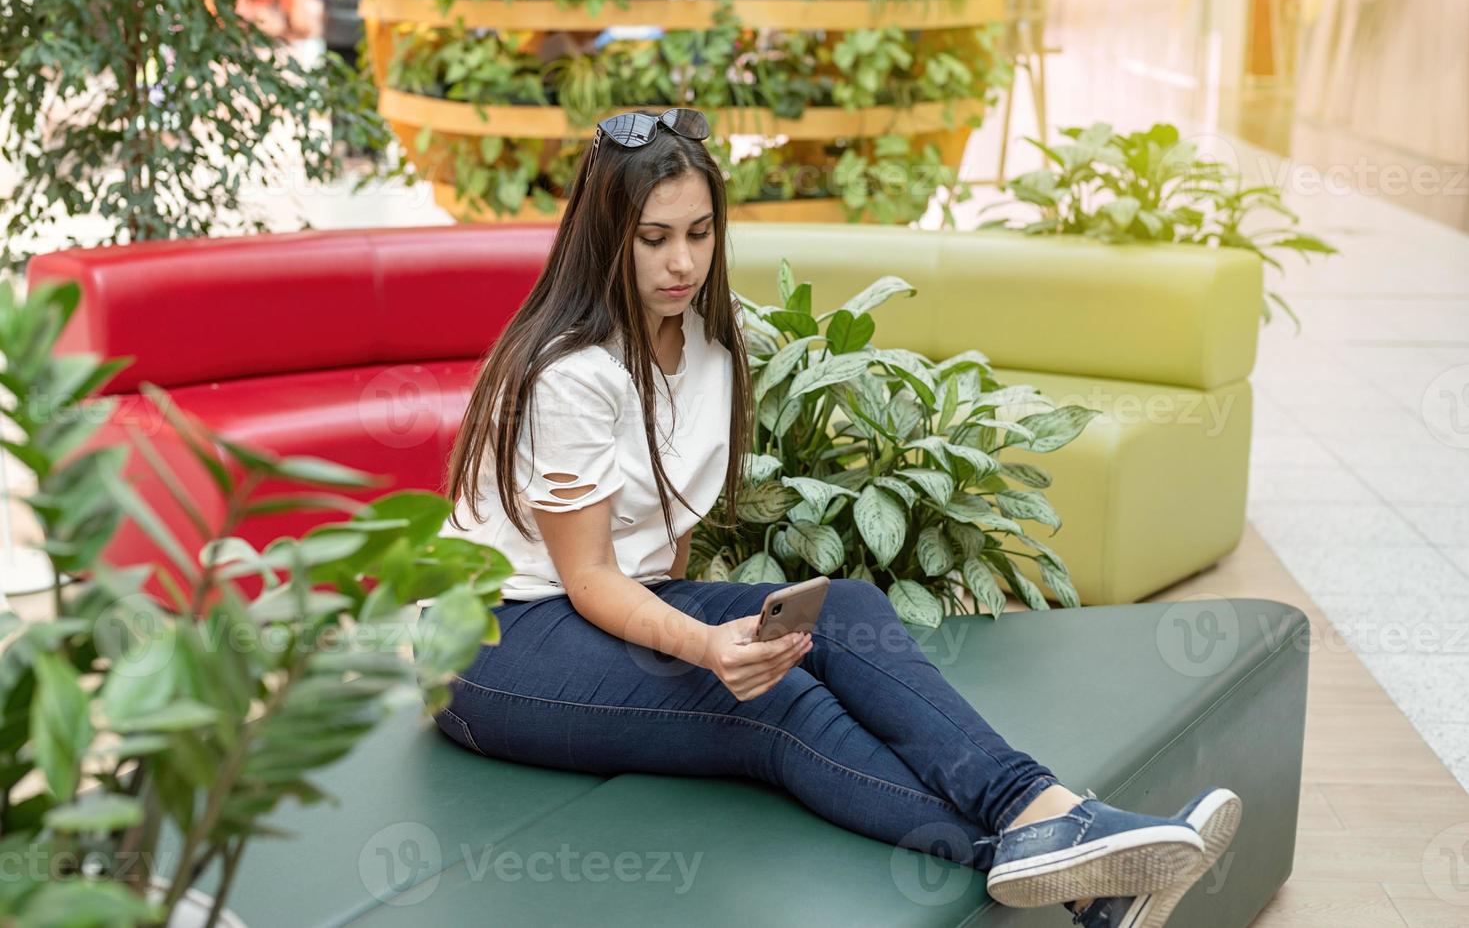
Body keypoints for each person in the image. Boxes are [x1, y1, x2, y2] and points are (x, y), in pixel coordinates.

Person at [424, 107, 1241, 925]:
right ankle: (1082, 871)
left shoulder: (709, 340)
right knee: (766, 706)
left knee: (842, 610)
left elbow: (664, 551)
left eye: (701, 233)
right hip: (497, 640)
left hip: (601, 605)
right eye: (653, 238)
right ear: (606, 236)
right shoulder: (570, 372)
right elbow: (592, 575)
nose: (682, 262)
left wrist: (718, 632)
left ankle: (1042, 811)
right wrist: (706, 648)